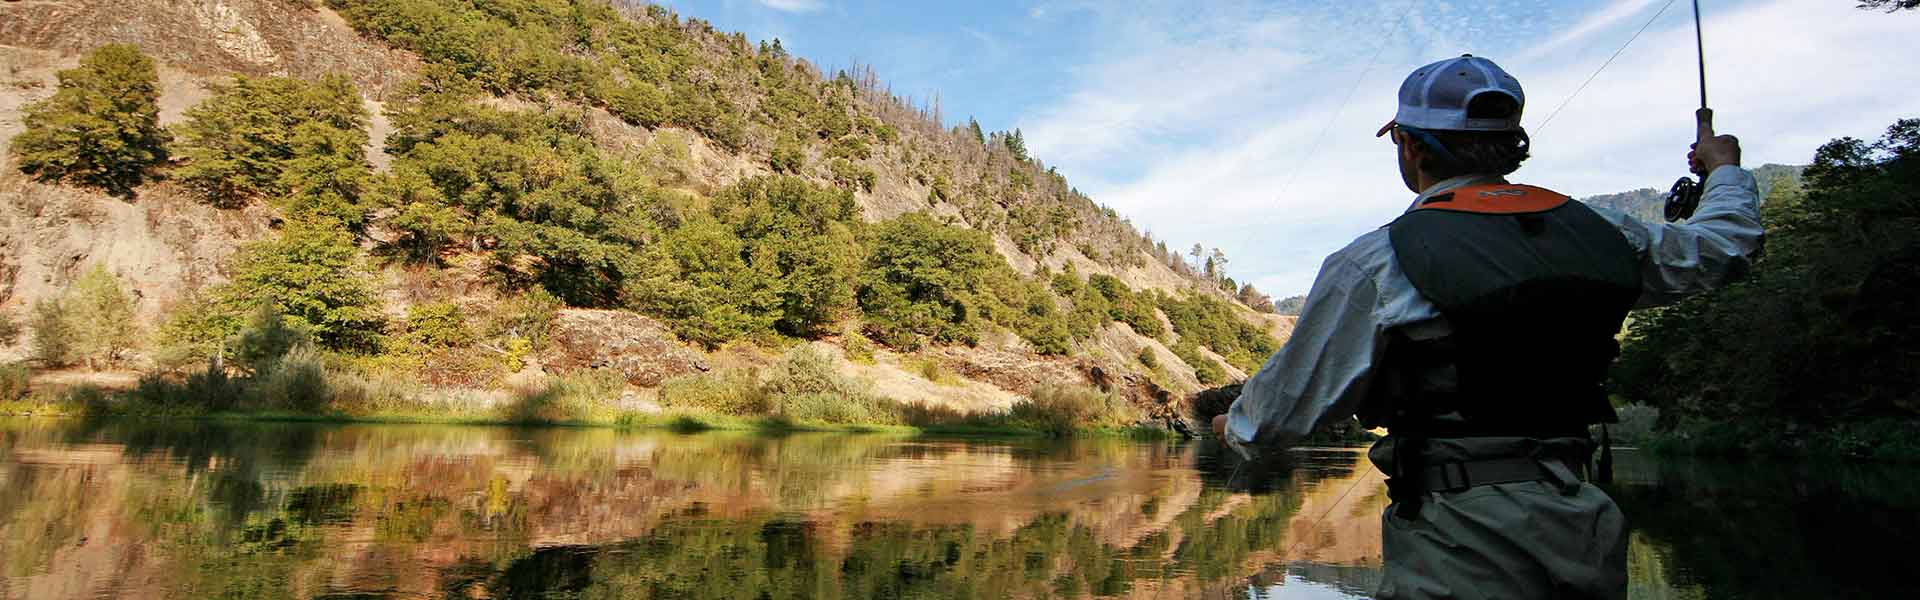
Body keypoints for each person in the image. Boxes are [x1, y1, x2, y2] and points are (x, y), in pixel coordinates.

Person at [1211, 55, 1762, 599]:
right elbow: (1725, 248)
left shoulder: (1377, 261)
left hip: (1457, 542)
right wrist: (1724, 171)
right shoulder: (1604, 234)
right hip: (1583, 524)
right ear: (1511, 144)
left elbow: (1279, 416)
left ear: (1413, 145)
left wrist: (1232, 427)